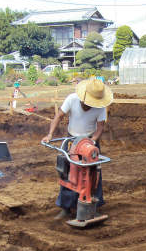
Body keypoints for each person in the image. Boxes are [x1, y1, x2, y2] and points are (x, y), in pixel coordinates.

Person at [42, 77, 113, 220]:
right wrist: (49, 134)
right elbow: (59, 116)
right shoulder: (72, 99)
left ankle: (93, 208)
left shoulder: (100, 107)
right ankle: (66, 208)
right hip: (72, 141)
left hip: (90, 142)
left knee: (94, 175)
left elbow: (100, 127)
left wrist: (93, 141)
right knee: (69, 175)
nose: (89, 106)